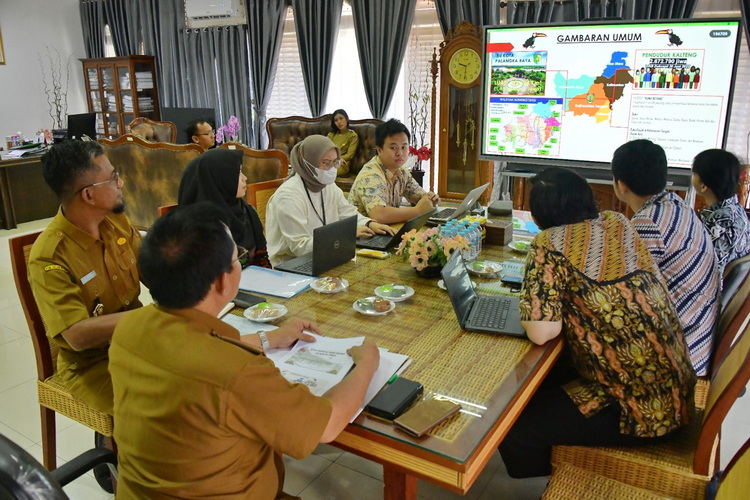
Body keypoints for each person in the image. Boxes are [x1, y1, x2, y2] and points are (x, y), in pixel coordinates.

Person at [109, 203, 380, 498]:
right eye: (236, 257)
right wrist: (366, 364)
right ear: (224, 280)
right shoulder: (237, 372)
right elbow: (325, 426)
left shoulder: (129, 329)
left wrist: (268, 338)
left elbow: (195, 352)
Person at [499, 167, 696, 478]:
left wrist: (531, 305)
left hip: (639, 412)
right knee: (544, 379)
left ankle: (565, 477)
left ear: (538, 216)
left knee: (511, 422)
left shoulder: (548, 243)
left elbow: (541, 332)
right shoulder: (618, 223)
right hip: (678, 393)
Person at [28, 140, 141, 414]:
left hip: (136, 343)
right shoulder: (49, 256)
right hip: (94, 365)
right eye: (113, 177)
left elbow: (155, 269)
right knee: (167, 407)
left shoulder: (115, 221)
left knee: (206, 374)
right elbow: (77, 335)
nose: (121, 183)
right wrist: (151, 318)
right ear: (89, 195)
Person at [611, 139, 720, 377]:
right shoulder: (676, 205)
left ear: (620, 185)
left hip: (677, 356)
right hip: (697, 338)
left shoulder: (647, 222)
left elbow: (615, 293)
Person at [265, 135, 395, 266]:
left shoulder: (327, 185)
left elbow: (348, 213)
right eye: (326, 163)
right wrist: (345, 235)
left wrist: (369, 224)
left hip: (328, 253)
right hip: (292, 264)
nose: (332, 169)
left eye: (335, 162)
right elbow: (300, 247)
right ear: (307, 163)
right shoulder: (288, 196)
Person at [178, 148, 271, 268]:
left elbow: (261, 257)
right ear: (219, 179)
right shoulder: (198, 227)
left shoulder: (247, 212)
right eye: (238, 173)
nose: (245, 178)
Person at [348, 118, 440, 224]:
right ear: (379, 150)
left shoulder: (401, 171)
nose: (400, 153)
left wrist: (430, 198)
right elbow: (379, 215)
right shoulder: (371, 174)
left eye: (404, 147)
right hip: (362, 234)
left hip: (385, 231)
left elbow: (419, 195)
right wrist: (418, 211)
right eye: (393, 148)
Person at [691, 148, 750, 276]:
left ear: (703, 185)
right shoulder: (738, 211)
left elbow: (703, 273)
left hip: (708, 292)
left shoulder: (716, 222)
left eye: (694, 174)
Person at [327, 109, 359, 177]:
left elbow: (350, 155)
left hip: (342, 163)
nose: (339, 122)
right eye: (336, 120)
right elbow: (324, 149)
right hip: (328, 160)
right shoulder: (331, 134)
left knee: (327, 171)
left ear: (346, 119)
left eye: (341, 118)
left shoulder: (353, 135)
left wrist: (338, 158)